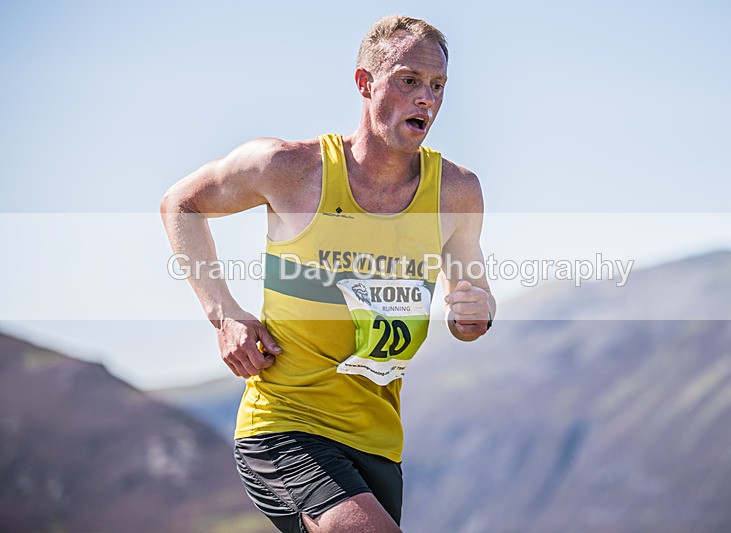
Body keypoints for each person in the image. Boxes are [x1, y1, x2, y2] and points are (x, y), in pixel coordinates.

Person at [160, 15, 495, 533]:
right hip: (285, 423)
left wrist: (476, 315)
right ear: (365, 83)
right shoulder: (289, 169)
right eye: (408, 80)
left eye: (437, 86)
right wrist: (224, 314)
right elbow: (180, 204)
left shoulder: (456, 192)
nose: (426, 98)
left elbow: (471, 304)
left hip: (377, 440)